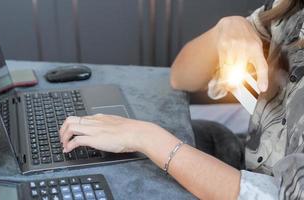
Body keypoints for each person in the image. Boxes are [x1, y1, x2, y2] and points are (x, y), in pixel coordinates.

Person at [60, 0, 304, 199]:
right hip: (243, 157)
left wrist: (145, 137)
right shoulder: (289, 11)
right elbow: (181, 77)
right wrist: (223, 31)